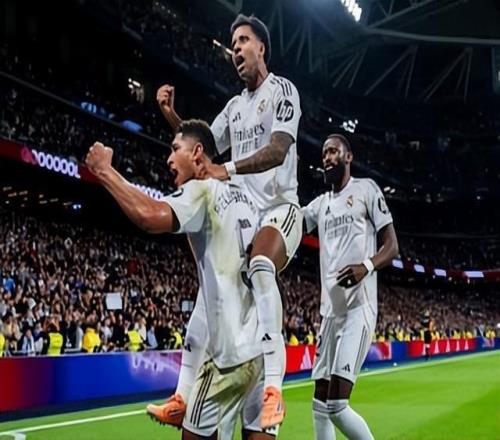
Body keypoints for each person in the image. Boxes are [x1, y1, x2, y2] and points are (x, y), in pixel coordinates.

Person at [85, 119, 276, 439]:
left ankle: (182, 398)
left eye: (175, 150)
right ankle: (181, 396)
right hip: (262, 346)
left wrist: (105, 171)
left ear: (197, 152)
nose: (169, 159)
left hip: (229, 354)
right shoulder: (245, 195)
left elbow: (149, 217)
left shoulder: (202, 190)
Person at [156, 13, 302, 428]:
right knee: (210, 290)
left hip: (281, 210)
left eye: (243, 41)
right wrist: (172, 116)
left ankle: (274, 388)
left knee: (260, 265)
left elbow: (278, 150)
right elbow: (201, 149)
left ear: (261, 47)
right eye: (233, 43)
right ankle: (182, 397)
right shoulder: (234, 107)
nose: (236, 49)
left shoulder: (283, 91)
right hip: (244, 214)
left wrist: (228, 169)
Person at [302, 134, 399, 440]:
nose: (327, 157)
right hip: (330, 314)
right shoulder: (320, 205)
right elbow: (289, 226)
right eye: (324, 153)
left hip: (359, 308)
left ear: (348, 156)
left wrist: (365, 267)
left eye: (333, 151)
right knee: (319, 406)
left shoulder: (366, 189)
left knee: (337, 405)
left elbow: (392, 246)